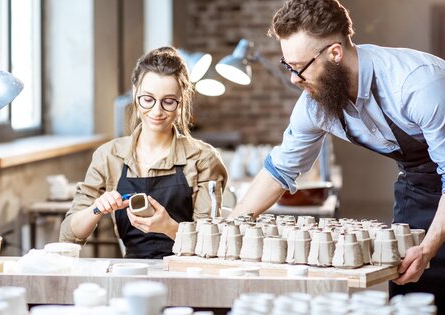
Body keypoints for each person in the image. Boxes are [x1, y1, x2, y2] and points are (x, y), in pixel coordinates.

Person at [229, 0, 445, 310]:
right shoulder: (315, 104)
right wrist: (232, 225)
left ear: (334, 53)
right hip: (421, 183)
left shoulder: (417, 84)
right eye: (287, 66)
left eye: (299, 67)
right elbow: (281, 169)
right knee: (414, 292)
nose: (293, 78)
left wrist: (430, 247)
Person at [60, 47, 227, 259]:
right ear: (135, 94)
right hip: (132, 273)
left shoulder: (203, 159)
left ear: (181, 102)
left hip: (187, 272)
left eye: (168, 102)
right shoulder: (109, 155)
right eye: (148, 99)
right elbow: (68, 235)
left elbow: (211, 244)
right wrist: (96, 208)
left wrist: (169, 227)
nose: (157, 111)